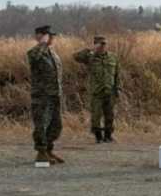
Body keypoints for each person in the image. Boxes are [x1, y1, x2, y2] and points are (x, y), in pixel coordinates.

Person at [73, 35, 121, 143]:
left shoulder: (113, 57)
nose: (103, 46)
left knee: (110, 115)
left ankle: (108, 136)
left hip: (110, 91)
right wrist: (90, 48)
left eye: (104, 44)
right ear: (96, 45)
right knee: (96, 116)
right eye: (100, 44)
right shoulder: (90, 57)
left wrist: (118, 88)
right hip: (97, 92)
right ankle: (98, 137)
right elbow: (75, 57)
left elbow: (117, 74)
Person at [27, 26, 64, 164]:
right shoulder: (35, 53)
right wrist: (42, 42)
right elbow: (34, 57)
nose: (51, 38)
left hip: (54, 95)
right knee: (41, 124)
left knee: (56, 125)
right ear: (40, 36)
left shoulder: (52, 53)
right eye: (48, 35)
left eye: (51, 35)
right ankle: (41, 155)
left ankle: (48, 150)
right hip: (42, 96)